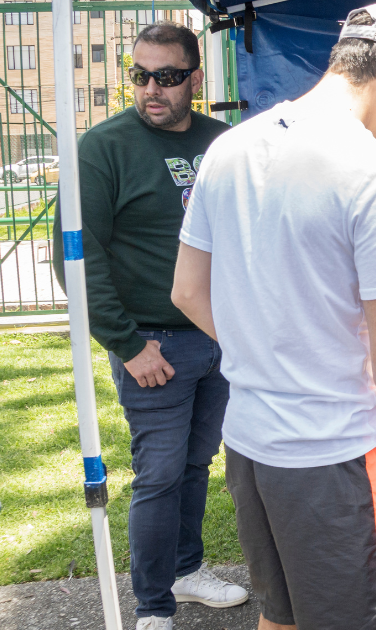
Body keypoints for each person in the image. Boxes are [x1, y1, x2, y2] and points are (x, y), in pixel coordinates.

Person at [170, 4, 376, 629]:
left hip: (251, 442)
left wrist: (263, 347)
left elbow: (187, 292)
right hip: (339, 449)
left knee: (281, 615)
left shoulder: (228, 149)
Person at [51, 22, 246, 630]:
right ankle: (153, 607)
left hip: (221, 337)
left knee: (196, 463)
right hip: (153, 344)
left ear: (195, 78)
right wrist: (128, 345)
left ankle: (186, 571)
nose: (151, 89)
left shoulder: (223, 141)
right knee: (159, 474)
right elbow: (75, 256)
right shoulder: (103, 147)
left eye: (166, 76)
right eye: (140, 75)